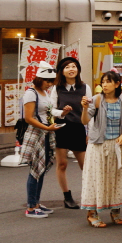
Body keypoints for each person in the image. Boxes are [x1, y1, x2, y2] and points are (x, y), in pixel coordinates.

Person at [80, 70, 122, 228]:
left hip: (118, 145)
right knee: (97, 178)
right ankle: (92, 214)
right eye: (103, 82)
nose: (105, 85)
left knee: (117, 178)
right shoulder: (97, 99)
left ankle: (115, 212)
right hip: (98, 145)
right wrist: (84, 108)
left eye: (108, 81)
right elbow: (85, 121)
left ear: (117, 84)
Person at [21, 64, 60, 218]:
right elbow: (28, 118)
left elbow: (49, 111)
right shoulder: (31, 93)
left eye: (52, 81)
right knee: (35, 170)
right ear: (39, 79)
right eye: (47, 81)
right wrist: (47, 128)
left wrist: (63, 112)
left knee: (41, 169)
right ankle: (31, 207)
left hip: (46, 132)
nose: (50, 84)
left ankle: (36, 203)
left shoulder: (44, 92)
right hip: (37, 133)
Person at [53, 57, 88, 209]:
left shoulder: (84, 87)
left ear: (78, 70)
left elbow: (90, 109)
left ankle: (89, 195)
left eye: (74, 66)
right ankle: (67, 196)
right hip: (61, 127)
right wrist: (62, 112)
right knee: (62, 164)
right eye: (67, 67)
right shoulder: (57, 88)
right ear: (62, 71)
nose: (71, 69)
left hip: (78, 128)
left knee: (85, 166)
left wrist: (89, 132)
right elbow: (51, 108)